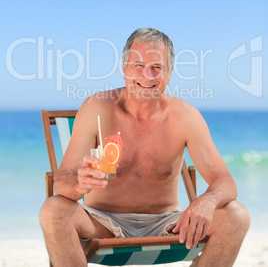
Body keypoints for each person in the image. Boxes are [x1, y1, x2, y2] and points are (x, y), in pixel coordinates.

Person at [40, 27, 250, 267]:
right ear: (124, 68)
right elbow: (62, 181)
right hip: (101, 222)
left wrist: (208, 200)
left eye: (157, 67)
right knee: (53, 210)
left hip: (168, 224)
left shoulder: (185, 117)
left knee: (237, 216)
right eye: (138, 65)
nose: (147, 76)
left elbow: (225, 182)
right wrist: (78, 185)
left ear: (169, 73)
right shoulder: (97, 108)